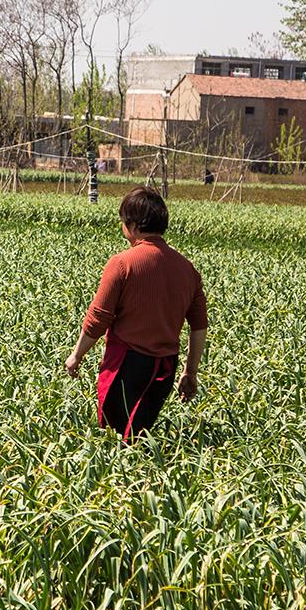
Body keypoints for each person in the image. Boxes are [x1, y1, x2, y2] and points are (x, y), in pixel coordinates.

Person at [64, 186, 208, 442]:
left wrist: (76, 355)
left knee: (115, 440)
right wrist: (190, 372)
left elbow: (98, 318)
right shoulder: (187, 269)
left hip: (127, 367)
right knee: (139, 438)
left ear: (130, 224)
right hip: (165, 369)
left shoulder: (122, 263)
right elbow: (199, 325)